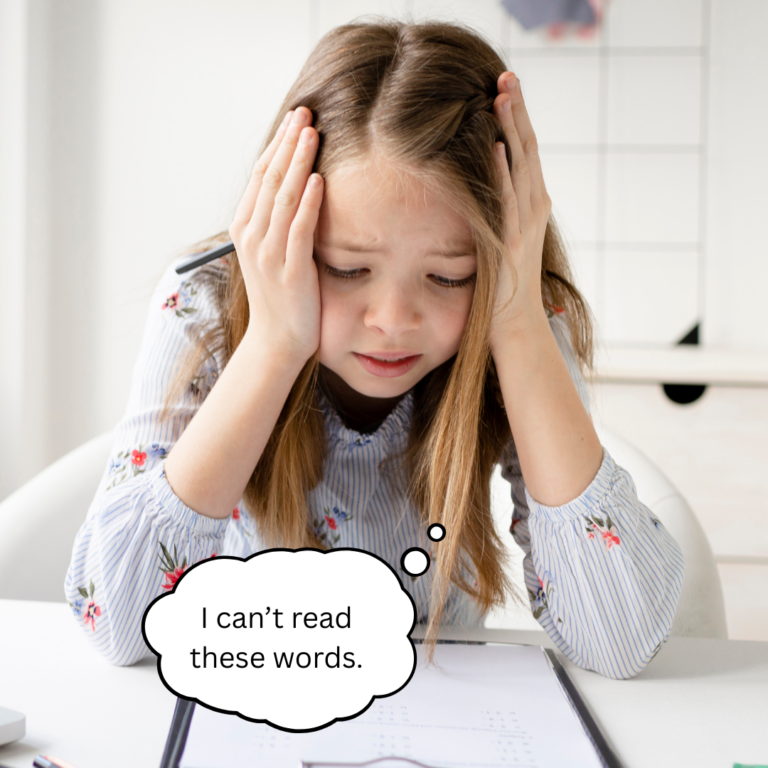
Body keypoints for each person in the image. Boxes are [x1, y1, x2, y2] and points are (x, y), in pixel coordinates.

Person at [65, 18, 684, 679]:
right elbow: (119, 624)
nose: (392, 321)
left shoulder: (517, 315)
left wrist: (522, 332)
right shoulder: (206, 306)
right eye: (345, 268)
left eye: (448, 276)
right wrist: (274, 343)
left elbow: (620, 642)